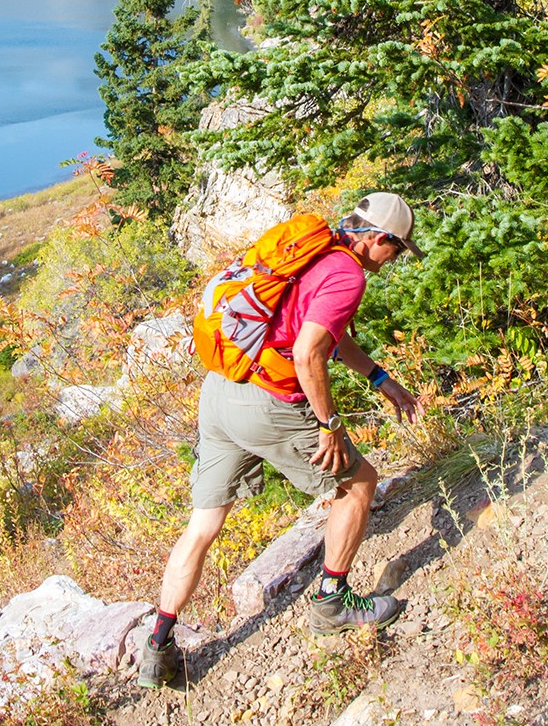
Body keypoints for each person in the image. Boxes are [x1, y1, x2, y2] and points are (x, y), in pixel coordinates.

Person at [138, 193, 426, 689]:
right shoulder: (347, 274)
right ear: (380, 238)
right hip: (266, 402)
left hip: (222, 390)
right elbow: (310, 353)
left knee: (204, 525)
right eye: (398, 251)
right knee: (359, 484)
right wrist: (328, 424)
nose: (395, 261)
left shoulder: (316, 249)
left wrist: (380, 379)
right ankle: (332, 603)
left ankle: (157, 648)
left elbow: (326, 334)